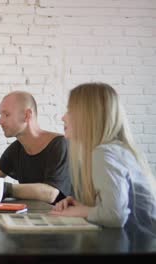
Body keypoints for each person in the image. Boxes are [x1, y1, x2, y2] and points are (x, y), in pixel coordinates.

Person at [51, 82, 156, 233]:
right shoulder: (116, 150)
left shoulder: (105, 154)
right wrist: (83, 207)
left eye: (70, 110)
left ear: (88, 115)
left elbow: (114, 216)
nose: (63, 117)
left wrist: (80, 212)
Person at [0, 91, 72, 204]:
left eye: (6, 114)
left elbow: (50, 193)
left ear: (27, 115)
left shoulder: (59, 145)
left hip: (63, 219)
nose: (0, 121)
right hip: (32, 218)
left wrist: (4, 189)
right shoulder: (17, 148)